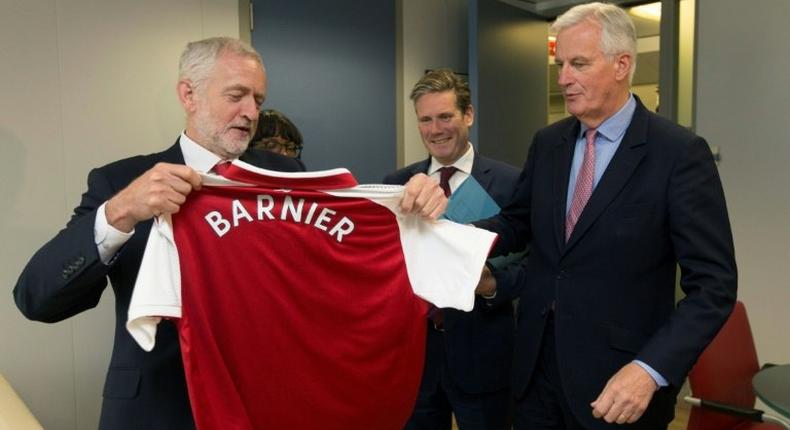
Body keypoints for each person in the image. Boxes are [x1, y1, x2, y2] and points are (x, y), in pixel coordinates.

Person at [13, 37, 446, 429]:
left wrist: (411, 205)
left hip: (268, 406)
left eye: (258, 99)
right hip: (162, 411)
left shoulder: (287, 174)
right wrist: (120, 213)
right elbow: (36, 298)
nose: (252, 113)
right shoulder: (123, 181)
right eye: (236, 95)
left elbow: (346, 248)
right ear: (188, 94)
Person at [474, 3, 737, 429]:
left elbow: (714, 287)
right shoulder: (548, 143)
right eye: (560, 65)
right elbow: (516, 223)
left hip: (619, 386)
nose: (562, 79)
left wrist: (650, 369)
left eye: (578, 64)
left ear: (622, 65)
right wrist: (445, 234)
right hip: (535, 375)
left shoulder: (678, 154)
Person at [383, 68, 521, 430]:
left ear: (469, 115)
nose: (435, 129)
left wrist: (492, 285)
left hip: (485, 355)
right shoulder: (395, 185)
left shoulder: (511, 183)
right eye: (425, 119)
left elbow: (537, 266)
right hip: (415, 359)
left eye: (445, 116)